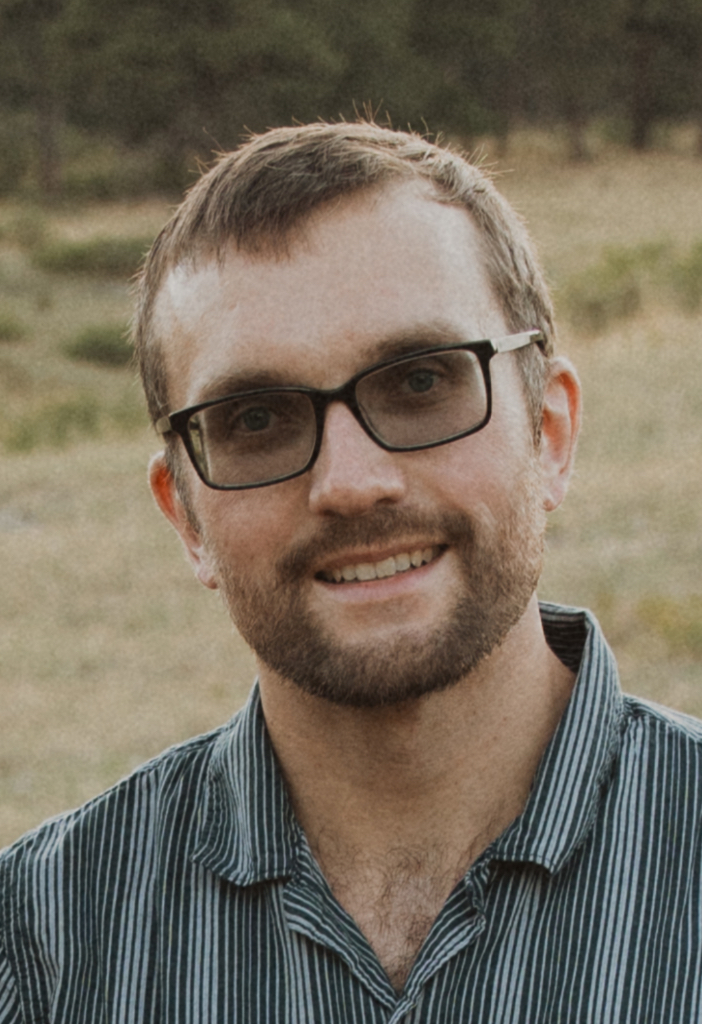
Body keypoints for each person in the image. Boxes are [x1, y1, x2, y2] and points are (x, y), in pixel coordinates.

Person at [1, 121, 701, 1023]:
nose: (352, 483)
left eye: (419, 384)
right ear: (185, 516)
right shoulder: (45, 946)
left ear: (550, 434)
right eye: (257, 419)